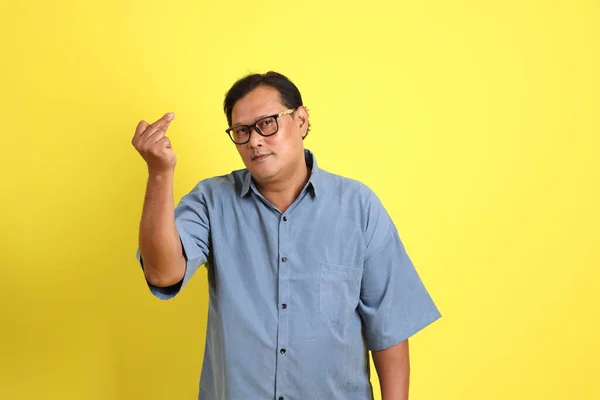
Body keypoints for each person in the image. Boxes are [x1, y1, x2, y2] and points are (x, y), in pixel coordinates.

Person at [131, 71, 441, 400]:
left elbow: (388, 328)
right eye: (242, 131)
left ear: (302, 120)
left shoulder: (358, 207)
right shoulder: (212, 201)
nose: (254, 140)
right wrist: (160, 173)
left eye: (267, 123)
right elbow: (162, 272)